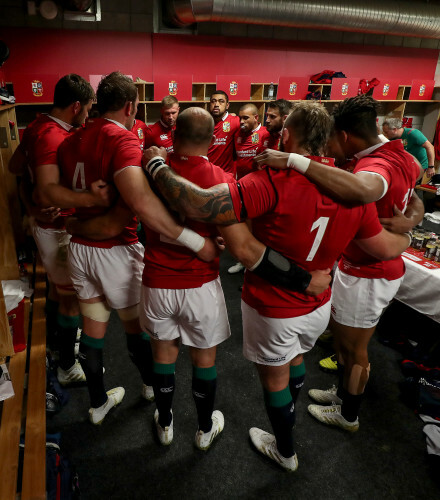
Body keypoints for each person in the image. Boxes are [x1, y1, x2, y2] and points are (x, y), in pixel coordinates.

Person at [143, 100, 412, 471]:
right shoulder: (352, 190)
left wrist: (156, 164)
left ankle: (285, 449)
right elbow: (383, 247)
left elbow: (201, 206)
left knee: (275, 379)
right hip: (319, 303)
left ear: (285, 135)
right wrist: (409, 231)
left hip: (273, 305)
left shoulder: (268, 181)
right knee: (298, 359)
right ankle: (288, 425)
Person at [47, 72, 217, 425]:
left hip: (81, 249)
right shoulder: (122, 140)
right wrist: (193, 240)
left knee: (93, 331)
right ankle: (152, 388)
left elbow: (56, 196)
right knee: (137, 331)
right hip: (115, 251)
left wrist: (75, 222)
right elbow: (140, 203)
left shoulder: (69, 141)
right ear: (130, 106)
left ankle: (97, 404)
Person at [254, 95, 423, 433]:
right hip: (374, 267)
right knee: (347, 347)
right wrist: (413, 219)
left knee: (354, 349)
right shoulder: (401, 156)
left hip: (369, 270)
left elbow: (362, 190)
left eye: (332, 139)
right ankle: (345, 392)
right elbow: (414, 193)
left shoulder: (377, 166)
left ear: (344, 136)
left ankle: (349, 414)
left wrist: (294, 161)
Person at [139, 107, 236, 449]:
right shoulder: (222, 178)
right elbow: (233, 235)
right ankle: (204, 429)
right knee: (204, 360)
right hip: (200, 286)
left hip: (157, 281)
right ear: (212, 140)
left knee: (163, 355)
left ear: (174, 133)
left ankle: (165, 424)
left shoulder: (149, 169)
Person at [8, 74, 102, 386]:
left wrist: (31, 207)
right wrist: (88, 198)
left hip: (45, 224)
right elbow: (46, 192)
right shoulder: (51, 135)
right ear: (76, 106)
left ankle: (58, 343)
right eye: (88, 108)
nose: (88, 115)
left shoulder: (36, 124)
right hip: (56, 228)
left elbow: (15, 169)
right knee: (70, 297)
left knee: (58, 290)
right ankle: (66, 366)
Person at [228, 103, 269, 275]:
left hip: (261, 188)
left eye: (246, 118)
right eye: (240, 117)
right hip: (242, 186)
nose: (242, 121)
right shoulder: (237, 134)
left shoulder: (265, 134)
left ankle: (258, 263)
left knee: (258, 227)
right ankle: (244, 261)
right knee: (244, 224)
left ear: (256, 117)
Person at [207, 90, 240, 175]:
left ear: (227, 105)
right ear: (209, 104)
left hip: (227, 175)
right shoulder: (203, 122)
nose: (216, 105)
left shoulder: (236, 122)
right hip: (208, 173)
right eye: (213, 101)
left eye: (221, 101)